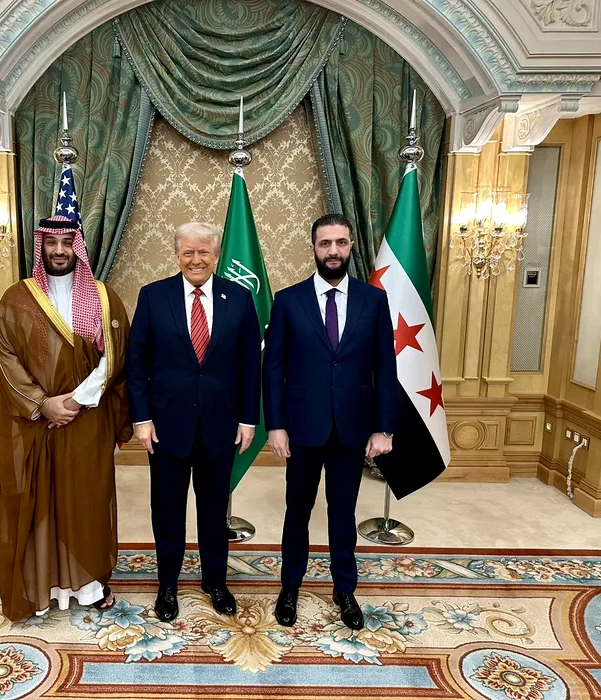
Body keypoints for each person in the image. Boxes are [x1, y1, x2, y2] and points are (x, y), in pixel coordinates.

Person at [0, 215, 132, 622]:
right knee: (40, 500)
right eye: (51, 242)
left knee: (86, 500)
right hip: (35, 422)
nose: (58, 250)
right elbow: (5, 357)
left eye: (67, 242)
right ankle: (42, 587)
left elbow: (116, 356)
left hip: (88, 420)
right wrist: (42, 403)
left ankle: (88, 586)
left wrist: (75, 401)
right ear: (41, 246)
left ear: (78, 248)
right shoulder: (17, 298)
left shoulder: (105, 297)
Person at [263, 213, 398, 630]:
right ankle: (290, 587)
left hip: (352, 429)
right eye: (325, 244)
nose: (333, 251)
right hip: (302, 428)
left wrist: (384, 427)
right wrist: (275, 425)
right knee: (297, 512)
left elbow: (385, 367)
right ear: (313, 248)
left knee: (343, 512)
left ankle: (345, 590)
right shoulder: (288, 300)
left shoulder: (373, 300)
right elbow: (273, 368)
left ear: (351, 245)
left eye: (340, 242)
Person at [127, 222, 261, 622]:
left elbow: (250, 365)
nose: (196, 259)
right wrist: (141, 419)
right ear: (177, 255)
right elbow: (137, 363)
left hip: (221, 425)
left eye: (204, 252)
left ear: (216, 255)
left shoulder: (239, 298)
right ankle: (167, 584)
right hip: (166, 426)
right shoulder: (153, 296)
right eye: (188, 252)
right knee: (167, 510)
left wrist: (248, 419)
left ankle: (215, 582)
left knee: (214, 510)